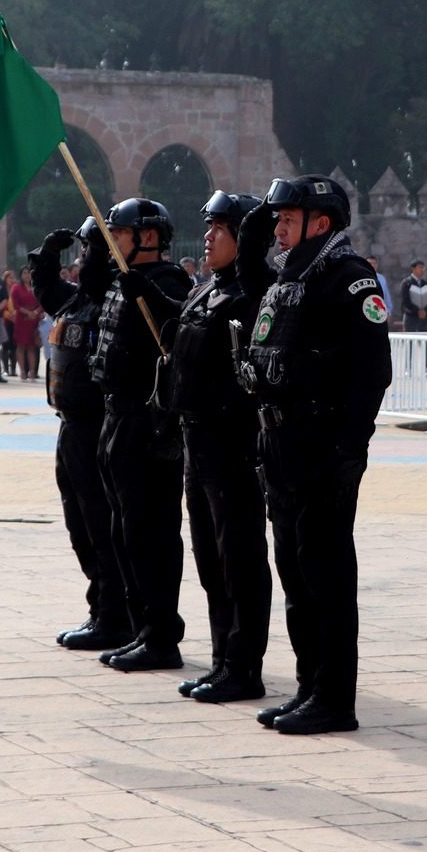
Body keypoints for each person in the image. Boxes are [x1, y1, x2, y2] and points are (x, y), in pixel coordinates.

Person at [235, 175, 392, 734]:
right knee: (295, 572)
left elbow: (374, 372)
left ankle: (335, 699)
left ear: (320, 223)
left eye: (288, 217)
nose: (279, 226)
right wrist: (256, 230)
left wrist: (352, 449)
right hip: (279, 444)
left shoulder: (349, 281)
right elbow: (248, 279)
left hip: (323, 448)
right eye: (276, 217)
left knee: (325, 574)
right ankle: (308, 687)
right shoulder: (288, 277)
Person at [161, 191, 271, 704]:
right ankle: (224, 658)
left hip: (232, 445)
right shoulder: (208, 289)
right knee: (208, 554)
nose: (207, 238)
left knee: (239, 556)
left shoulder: (255, 293)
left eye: (219, 229)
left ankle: (245, 665)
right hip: (196, 441)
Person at [89, 198, 193, 672]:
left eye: (121, 233)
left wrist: (147, 294)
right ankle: (137, 626)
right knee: (123, 530)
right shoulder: (121, 279)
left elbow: (178, 335)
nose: (114, 241)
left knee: (150, 531)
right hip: (115, 419)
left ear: (147, 238)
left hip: (146, 425)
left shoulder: (169, 282)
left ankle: (160, 634)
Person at [27, 219, 127, 652]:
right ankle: (98, 608)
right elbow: (47, 290)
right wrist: (47, 255)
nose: (81, 262)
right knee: (79, 524)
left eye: (89, 254)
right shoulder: (77, 303)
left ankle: (114, 615)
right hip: (69, 426)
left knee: (101, 526)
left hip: (95, 427)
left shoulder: (112, 303)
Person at [9, 268, 43, 382]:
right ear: (21, 275)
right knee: (21, 346)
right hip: (21, 319)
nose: (27, 275)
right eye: (24, 273)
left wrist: (36, 312)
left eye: (28, 273)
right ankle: (23, 371)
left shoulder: (37, 287)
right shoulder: (16, 288)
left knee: (32, 346)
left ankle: (32, 371)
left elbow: (42, 302)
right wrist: (28, 312)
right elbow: (16, 304)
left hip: (34, 320)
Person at [397, 260, 427, 333]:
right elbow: (405, 300)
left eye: (423, 268)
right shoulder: (406, 283)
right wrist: (417, 311)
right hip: (411, 317)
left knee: (425, 341)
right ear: (413, 269)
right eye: (420, 267)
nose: (422, 270)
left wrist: (425, 311)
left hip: (424, 318)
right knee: (410, 341)